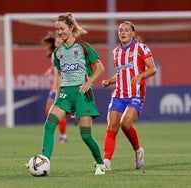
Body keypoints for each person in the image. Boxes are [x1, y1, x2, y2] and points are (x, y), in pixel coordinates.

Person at [41, 12, 106, 175]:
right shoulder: (58, 52)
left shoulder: (83, 47)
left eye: (62, 28)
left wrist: (89, 82)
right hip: (65, 94)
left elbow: (100, 68)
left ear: (71, 28)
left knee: (85, 136)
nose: (60, 32)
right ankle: (44, 163)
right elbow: (60, 75)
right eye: (57, 29)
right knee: (49, 125)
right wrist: (57, 95)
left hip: (82, 93)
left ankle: (100, 163)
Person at [101, 21, 156, 171]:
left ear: (133, 33)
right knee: (112, 125)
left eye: (126, 30)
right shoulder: (116, 52)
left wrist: (141, 76)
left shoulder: (140, 47)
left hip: (135, 93)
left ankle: (138, 150)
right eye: (120, 30)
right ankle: (106, 161)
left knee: (125, 124)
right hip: (118, 93)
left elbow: (153, 69)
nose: (123, 32)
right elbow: (120, 73)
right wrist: (109, 81)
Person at [41, 32, 68, 143]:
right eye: (56, 42)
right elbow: (55, 64)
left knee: (55, 109)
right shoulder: (54, 54)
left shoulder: (66, 53)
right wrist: (50, 69)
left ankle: (63, 135)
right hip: (56, 83)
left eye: (60, 42)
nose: (58, 44)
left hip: (63, 83)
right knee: (49, 109)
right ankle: (66, 119)